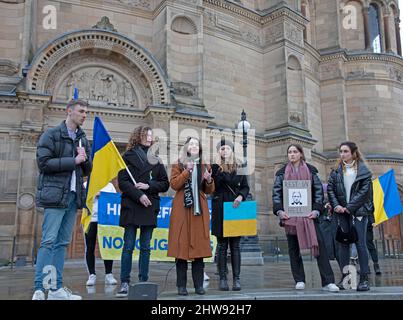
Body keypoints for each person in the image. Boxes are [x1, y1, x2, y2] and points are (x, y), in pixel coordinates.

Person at [32, 99, 92, 300]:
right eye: (81, 111)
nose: (85, 115)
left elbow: (87, 170)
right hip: (56, 195)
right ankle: (40, 288)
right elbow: (43, 163)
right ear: (69, 111)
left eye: (86, 112)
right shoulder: (52, 134)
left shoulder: (83, 138)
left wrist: (85, 160)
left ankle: (56, 288)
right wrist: (73, 161)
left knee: (62, 243)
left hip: (74, 196)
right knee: (49, 241)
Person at [272, 144, 339, 292]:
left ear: (301, 154)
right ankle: (299, 279)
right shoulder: (281, 173)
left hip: (309, 216)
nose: (292, 154)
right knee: (293, 249)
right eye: (289, 152)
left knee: (319, 247)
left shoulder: (311, 170)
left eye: (295, 152)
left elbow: (318, 192)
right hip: (290, 218)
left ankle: (328, 282)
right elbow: (276, 194)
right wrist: (280, 211)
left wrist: (316, 210)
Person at [116, 126, 169, 297]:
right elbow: (123, 182)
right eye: (146, 135)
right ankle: (124, 282)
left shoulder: (156, 160)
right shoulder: (127, 157)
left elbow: (164, 183)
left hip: (149, 206)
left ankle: (143, 280)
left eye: (151, 135)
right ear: (138, 136)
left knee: (146, 247)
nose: (149, 137)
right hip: (132, 205)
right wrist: (139, 195)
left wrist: (149, 186)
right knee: (128, 246)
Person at [167, 137, 215, 296]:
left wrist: (209, 180)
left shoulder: (205, 165)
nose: (194, 146)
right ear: (186, 147)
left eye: (196, 144)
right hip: (182, 208)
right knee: (181, 248)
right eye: (191, 143)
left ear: (199, 148)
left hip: (199, 210)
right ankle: (181, 286)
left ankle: (198, 285)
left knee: (199, 249)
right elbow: (174, 185)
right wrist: (187, 171)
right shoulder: (179, 163)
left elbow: (209, 190)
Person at [327, 141, 373, 291]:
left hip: (358, 212)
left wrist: (349, 207)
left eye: (345, 151)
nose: (342, 154)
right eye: (341, 151)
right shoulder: (336, 171)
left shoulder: (364, 171)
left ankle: (364, 278)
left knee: (360, 244)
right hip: (341, 212)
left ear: (353, 153)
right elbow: (331, 190)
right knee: (343, 245)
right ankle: (346, 278)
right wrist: (337, 206)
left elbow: (364, 193)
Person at [211, 138, 249, 291]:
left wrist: (240, 196)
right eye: (221, 149)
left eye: (227, 148)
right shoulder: (214, 168)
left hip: (235, 208)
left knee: (235, 246)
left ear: (232, 151)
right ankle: (222, 278)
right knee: (221, 245)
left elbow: (245, 187)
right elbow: (214, 186)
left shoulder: (239, 166)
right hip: (220, 207)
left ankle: (236, 279)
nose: (224, 151)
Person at [83, 181, 118, 286]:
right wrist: (93, 195)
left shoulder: (110, 185)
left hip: (106, 221)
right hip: (91, 219)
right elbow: (81, 201)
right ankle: (92, 274)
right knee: (90, 247)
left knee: (107, 246)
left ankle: (109, 274)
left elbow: (115, 200)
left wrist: (104, 196)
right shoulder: (86, 184)